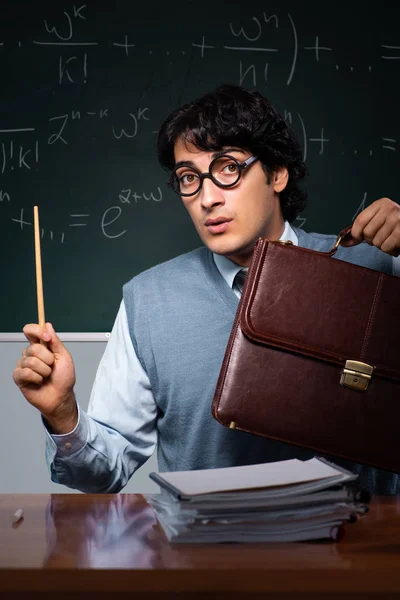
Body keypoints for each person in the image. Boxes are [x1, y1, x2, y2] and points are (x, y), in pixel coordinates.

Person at [13, 84, 400, 495]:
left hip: (361, 553)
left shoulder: (376, 269)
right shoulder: (149, 302)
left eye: (229, 168)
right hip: (208, 554)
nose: (207, 198)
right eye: (188, 177)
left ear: (277, 173)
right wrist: (63, 414)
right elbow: (103, 473)